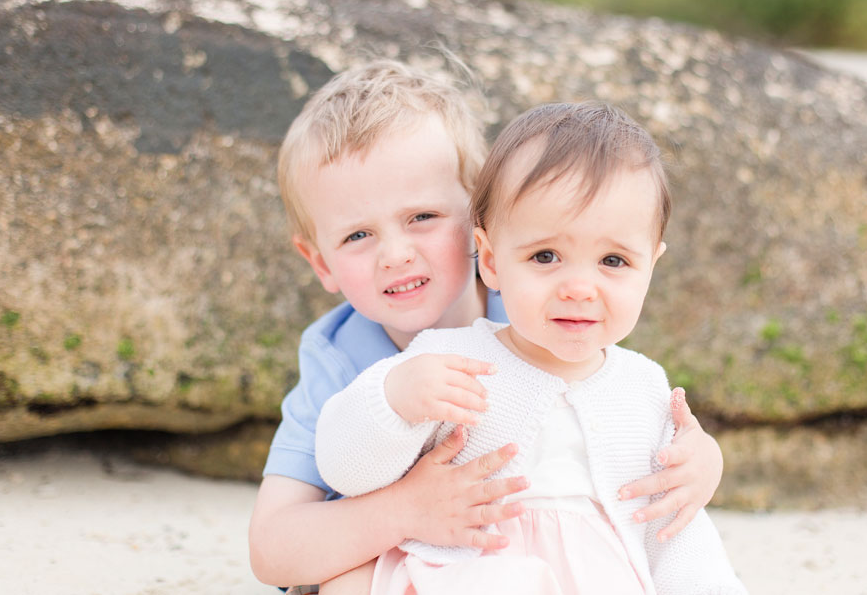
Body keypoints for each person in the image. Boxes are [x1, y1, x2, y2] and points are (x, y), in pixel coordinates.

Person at [248, 62, 726, 594]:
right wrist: (405, 511)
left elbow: (618, 423)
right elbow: (273, 549)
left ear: (486, 219)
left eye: (422, 217)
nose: (396, 254)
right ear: (321, 263)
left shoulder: (536, 308)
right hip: (407, 559)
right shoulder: (337, 358)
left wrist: (700, 463)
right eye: (358, 234)